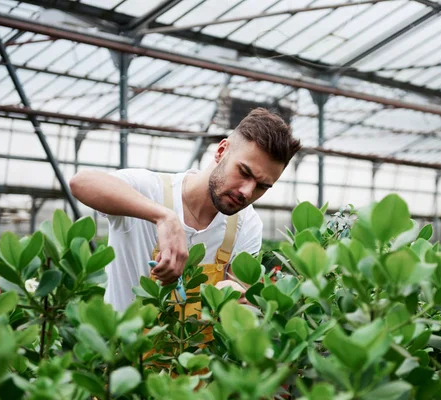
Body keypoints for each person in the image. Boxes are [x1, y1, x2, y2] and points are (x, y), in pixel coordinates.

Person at [70, 108, 301, 312]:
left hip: (194, 358)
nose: (247, 192)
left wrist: (239, 293)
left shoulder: (246, 224)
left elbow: (239, 289)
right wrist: (163, 217)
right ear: (221, 151)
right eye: (244, 172)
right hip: (127, 355)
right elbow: (81, 183)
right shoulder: (150, 190)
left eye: (262, 186)